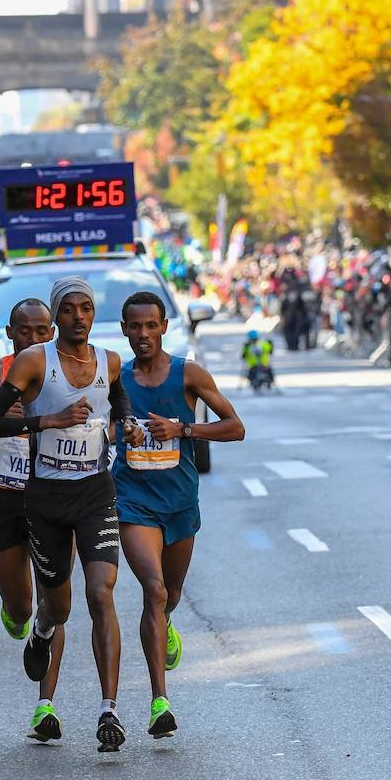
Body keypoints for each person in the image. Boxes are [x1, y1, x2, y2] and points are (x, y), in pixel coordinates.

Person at [0, 276, 145, 753]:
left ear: (95, 314)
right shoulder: (36, 361)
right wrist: (44, 421)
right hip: (46, 499)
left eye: (86, 308)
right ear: (57, 317)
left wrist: (127, 423)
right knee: (60, 606)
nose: (78, 317)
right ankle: (42, 630)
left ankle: (108, 709)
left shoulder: (108, 361)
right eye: (69, 309)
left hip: (95, 493)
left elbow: (118, 397)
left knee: (101, 592)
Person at [113, 291, 245, 740]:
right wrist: (121, 432)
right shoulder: (115, 377)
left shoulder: (188, 373)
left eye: (152, 325)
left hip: (180, 502)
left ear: (164, 326)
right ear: (125, 329)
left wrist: (182, 428)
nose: (143, 334)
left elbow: (235, 427)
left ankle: (167, 621)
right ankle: (159, 702)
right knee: (152, 589)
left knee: (170, 593)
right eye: (135, 326)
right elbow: (92, 424)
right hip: (132, 499)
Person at [0, 297, 69, 741]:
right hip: (0, 498)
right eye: (24, 331)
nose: (34, 338)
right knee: (20, 606)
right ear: (10, 334)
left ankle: (45, 706)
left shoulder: (72, 374)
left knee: (55, 601)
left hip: (55, 495)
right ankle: (20, 619)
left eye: (42, 330)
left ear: (52, 331)